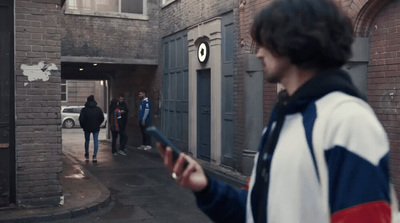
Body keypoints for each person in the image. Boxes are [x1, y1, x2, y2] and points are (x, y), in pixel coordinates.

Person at [157, 0, 395, 222]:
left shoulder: (347, 121)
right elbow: (256, 208)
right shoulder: (281, 122)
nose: (259, 53)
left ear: (294, 41)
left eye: (265, 42)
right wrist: (206, 187)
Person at [79, 95, 105, 163]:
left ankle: (87, 154)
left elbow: (81, 119)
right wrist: (98, 124)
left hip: (87, 128)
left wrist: (83, 126)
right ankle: (94, 156)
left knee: (87, 140)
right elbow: (102, 118)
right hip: (96, 127)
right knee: (95, 141)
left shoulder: (84, 110)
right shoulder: (98, 109)